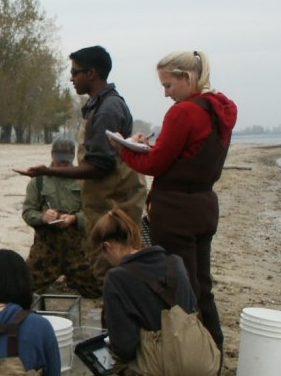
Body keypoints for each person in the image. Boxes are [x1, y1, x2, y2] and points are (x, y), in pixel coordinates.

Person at [112, 50, 237, 357]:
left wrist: (123, 149)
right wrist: (151, 148)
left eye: (168, 85)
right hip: (205, 206)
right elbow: (184, 154)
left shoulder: (183, 112)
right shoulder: (220, 110)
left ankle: (192, 355)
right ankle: (214, 349)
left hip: (175, 210)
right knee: (202, 285)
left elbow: (155, 164)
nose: (166, 94)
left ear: (187, 77)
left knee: (181, 288)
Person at [90, 209, 235, 376]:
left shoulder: (116, 278)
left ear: (108, 246)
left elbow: (125, 345)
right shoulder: (175, 262)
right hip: (205, 362)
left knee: (123, 359)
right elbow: (193, 307)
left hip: (162, 369)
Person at [15, 46, 147, 237]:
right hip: (104, 205)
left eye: (75, 72)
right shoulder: (98, 105)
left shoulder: (107, 109)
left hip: (114, 209)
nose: (71, 78)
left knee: (110, 253)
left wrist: (48, 171)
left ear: (91, 74)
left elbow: (99, 167)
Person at [22, 138, 102, 298]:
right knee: (24, 289)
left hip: (78, 251)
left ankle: (71, 281)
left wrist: (75, 218)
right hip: (45, 250)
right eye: (59, 161)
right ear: (52, 155)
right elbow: (28, 212)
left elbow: (95, 215)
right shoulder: (38, 181)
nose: (62, 165)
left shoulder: (84, 180)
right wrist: (43, 217)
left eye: (66, 161)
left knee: (98, 290)